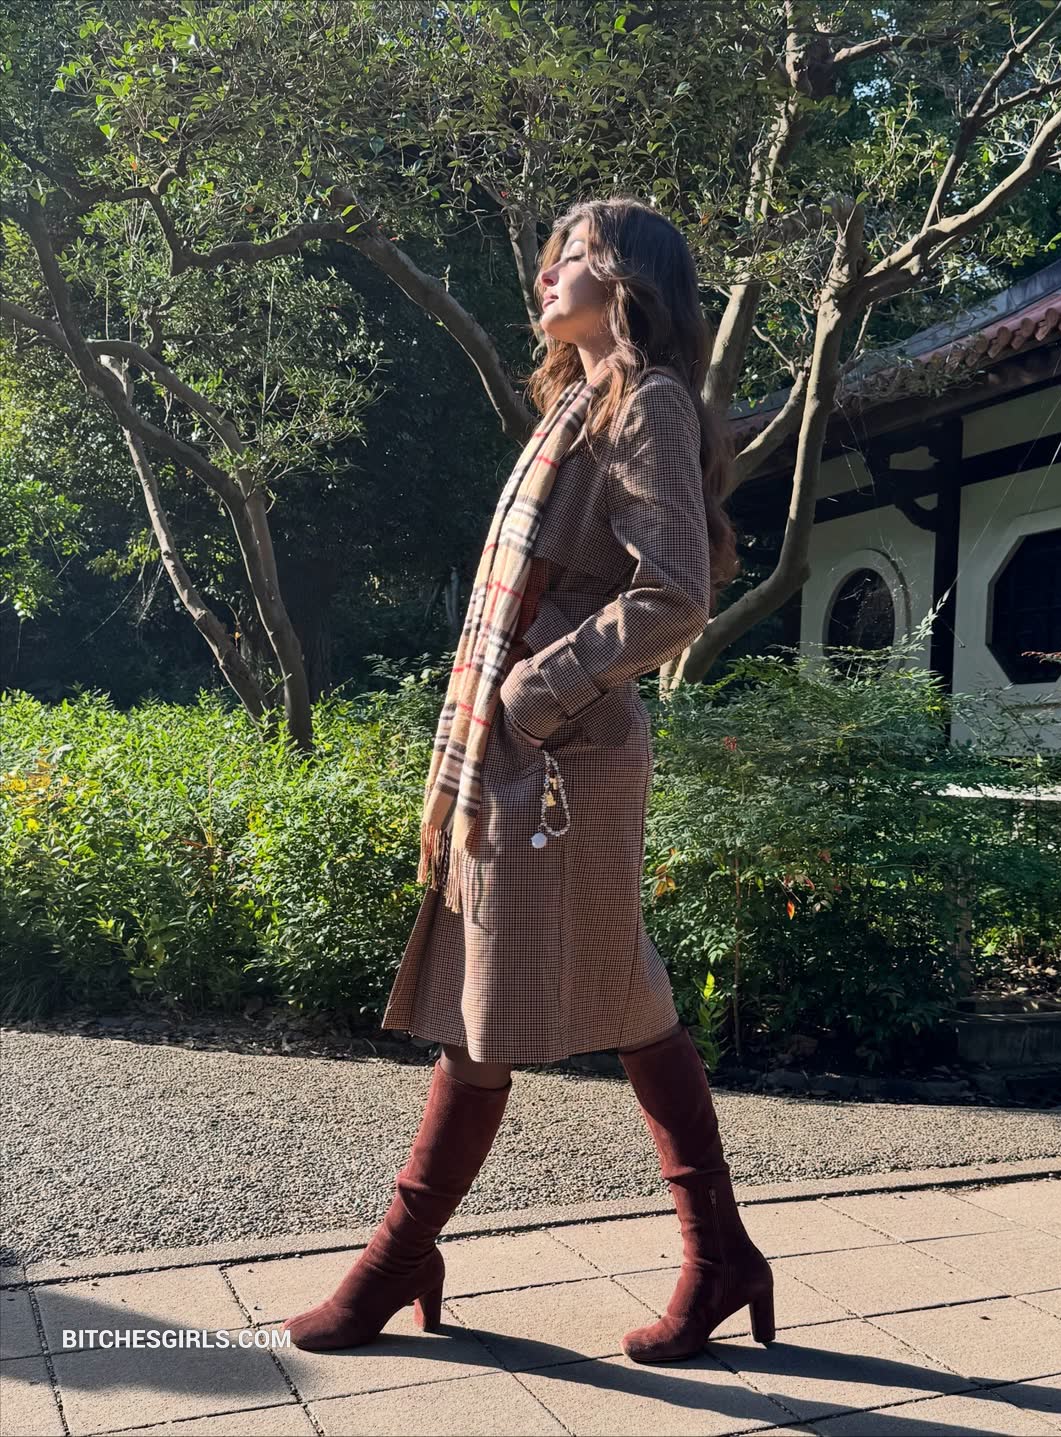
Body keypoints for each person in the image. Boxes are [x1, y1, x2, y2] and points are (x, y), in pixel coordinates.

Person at [281, 197, 774, 1363]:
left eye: (574, 258)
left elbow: (675, 594)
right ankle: (717, 1255)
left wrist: (533, 690)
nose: (548, 276)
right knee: (574, 997)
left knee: (505, 1007)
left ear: (630, 280)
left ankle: (401, 1255)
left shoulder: (645, 401)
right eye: (549, 259)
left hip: (562, 752)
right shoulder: (578, 405)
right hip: (533, 750)